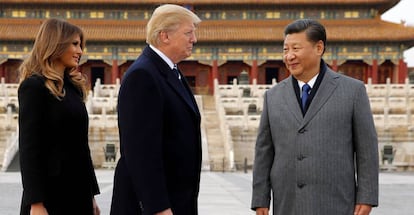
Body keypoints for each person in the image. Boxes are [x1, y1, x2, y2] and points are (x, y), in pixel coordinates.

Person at [251, 19, 379, 215]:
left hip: (335, 202)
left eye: (296, 48)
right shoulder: (273, 96)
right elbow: (264, 152)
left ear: (319, 48)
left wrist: (367, 196)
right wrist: (260, 199)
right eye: (285, 50)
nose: (289, 56)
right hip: (288, 202)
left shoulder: (352, 91)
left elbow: (367, 149)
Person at [110, 4, 202, 215]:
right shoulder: (143, 76)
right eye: (188, 33)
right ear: (164, 36)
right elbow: (140, 152)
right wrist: (158, 207)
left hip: (176, 200)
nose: (194, 39)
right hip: (153, 207)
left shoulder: (171, 71)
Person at [18, 18, 100, 215]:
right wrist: (36, 203)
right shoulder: (34, 87)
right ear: (55, 44)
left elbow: (82, 146)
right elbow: (29, 150)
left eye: (80, 45)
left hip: (78, 192)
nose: (80, 51)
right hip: (50, 195)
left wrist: (91, 194)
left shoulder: (74, 88)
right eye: (74, 44)